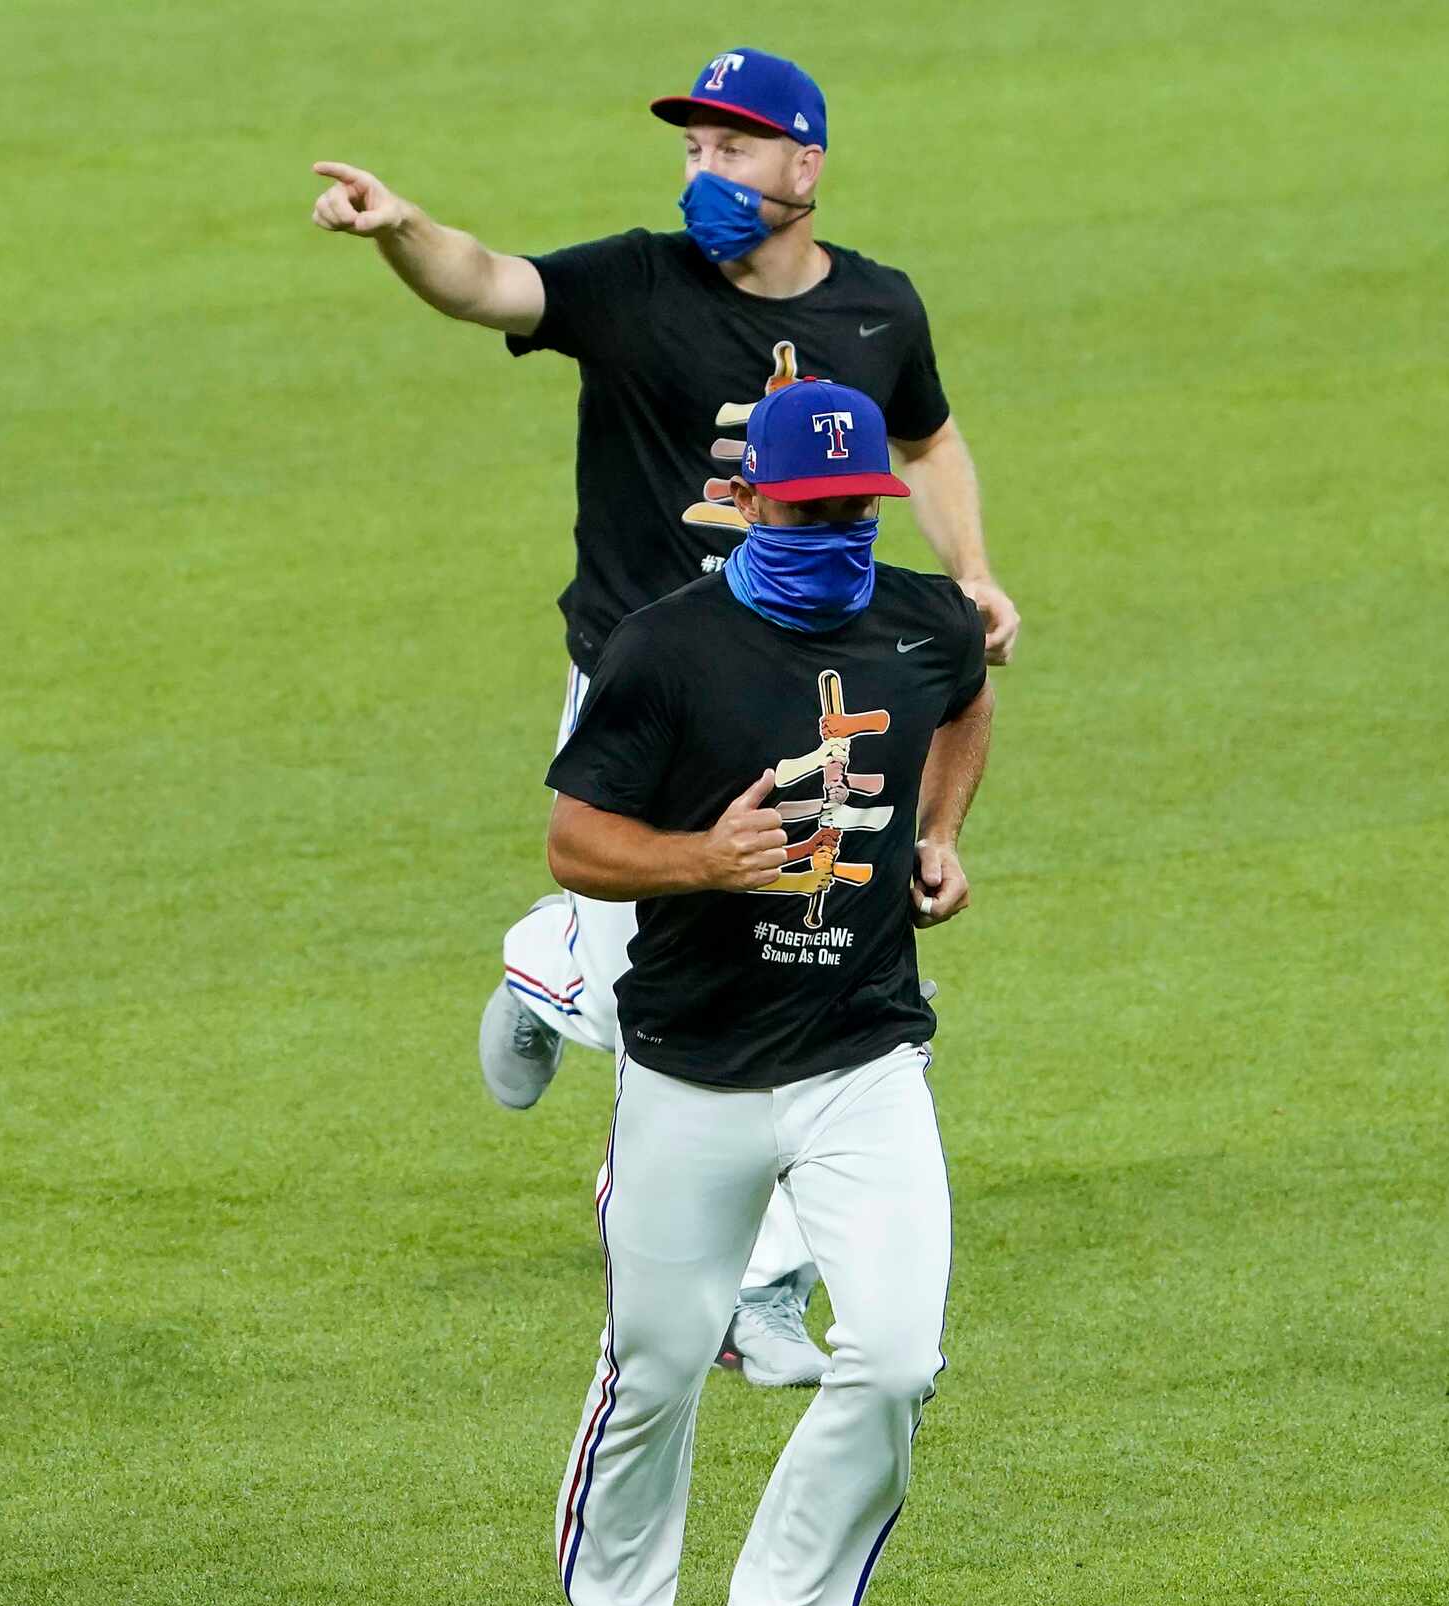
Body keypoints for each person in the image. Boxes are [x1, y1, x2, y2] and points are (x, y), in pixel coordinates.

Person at [310, 47, 1018, 1387]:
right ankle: (569, 980)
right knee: (686, 1019)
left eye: (733, 151)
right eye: (692, 151)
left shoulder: (878, 308)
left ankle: (573, 992)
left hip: (804, 684)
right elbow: (493, 283)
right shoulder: (636, 285)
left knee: (811, 983)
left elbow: (924, 442)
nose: (705, 173)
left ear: (803, 168)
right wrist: (399, 228)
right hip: (649, 691)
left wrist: (972, 571)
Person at [542, 380, 992, 1606]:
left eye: (858, 511)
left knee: (897, 1356)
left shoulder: (920, 621)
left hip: (863, 1056)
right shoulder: (663, 649)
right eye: (812, 511)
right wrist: (701, 861)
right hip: (693, 1070)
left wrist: (938, 833)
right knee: (659, 1370)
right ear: (751, 504)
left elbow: (964, 700)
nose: (839, 533)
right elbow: (573, 839)